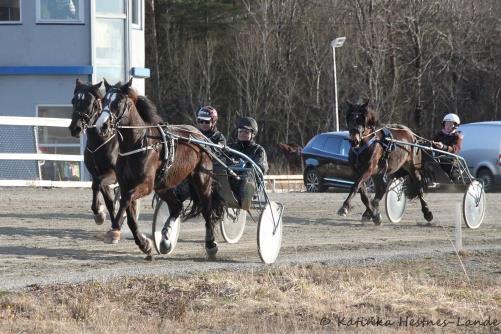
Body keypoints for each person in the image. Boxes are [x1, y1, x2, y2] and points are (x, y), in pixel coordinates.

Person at [174, 106, 226, 203]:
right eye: (200, 121)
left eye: (206, 122)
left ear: (213, 122)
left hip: (211, 169)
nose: (203, 124)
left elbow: (217, 153)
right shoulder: (195, 134)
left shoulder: (219, 137)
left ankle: (181, 195)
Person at [228, 117, 268, 209]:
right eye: (240, 131)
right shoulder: (230, 148)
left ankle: (245, 198)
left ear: (252, 134)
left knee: (248, 174)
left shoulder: (258, 150)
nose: (242, 134)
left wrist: (247, 165)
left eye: (246, 132)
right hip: (231, 181)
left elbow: (261, 167)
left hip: (249, 182)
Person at [432, 113, 464, 179]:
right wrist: (430, 143)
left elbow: (455, 149)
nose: (447, 126)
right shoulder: (439, 134)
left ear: (455, 126)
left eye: (450, 125)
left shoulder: (457, 136)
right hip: (437, 159)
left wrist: (443, 147)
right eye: (446, 124)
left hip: (450, 161)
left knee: (452, 174)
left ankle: (454, 183)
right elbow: (432, 143)